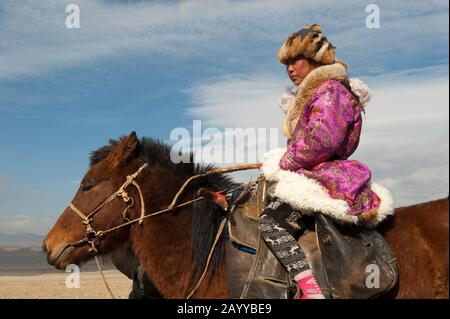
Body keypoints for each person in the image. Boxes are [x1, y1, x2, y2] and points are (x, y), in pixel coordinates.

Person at [259, 24, 393, 299]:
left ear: (316, 60)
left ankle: (312, 291)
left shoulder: (330, 91)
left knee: (270, 223)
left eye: (296, 60)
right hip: (315, 169)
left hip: (326, 174)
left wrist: (283, 161)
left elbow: (321, 139)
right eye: (286, 63)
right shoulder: (320, 92)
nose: (290, 69)